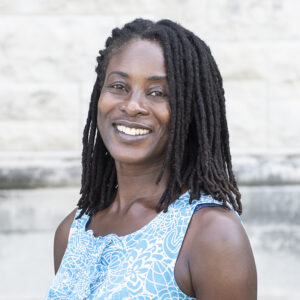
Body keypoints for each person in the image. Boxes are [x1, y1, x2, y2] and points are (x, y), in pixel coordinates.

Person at [46, 18, 257, 299]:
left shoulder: (212, 235)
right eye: (119, 86)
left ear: (189, 111)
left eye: (157, 92)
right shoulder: (73, 232)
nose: (132, 106)